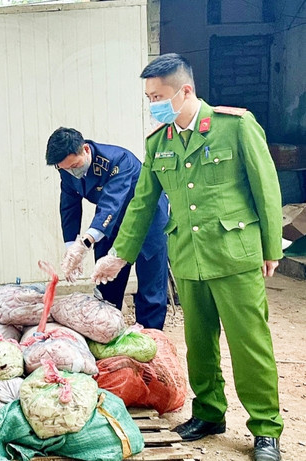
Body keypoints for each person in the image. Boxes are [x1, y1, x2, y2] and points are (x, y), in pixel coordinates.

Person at [91, 53, 283, 461]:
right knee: (199, 344)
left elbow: (266, 188)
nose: (153, 104)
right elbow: (142, 204)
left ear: (185, 91)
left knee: (250, 345)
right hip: (189, 258)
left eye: (158, 96)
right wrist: (119, 256)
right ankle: (210, 412)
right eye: (148, 97)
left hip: (234, 255)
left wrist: (270, 247)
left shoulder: (235, 127)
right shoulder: (158, 142)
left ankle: (265, 428)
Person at [45, 127, 170, 329]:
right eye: (65, 169)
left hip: (148, 218)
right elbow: (69, 206)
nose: (72, 172)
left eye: (75, 165)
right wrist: (71, 247)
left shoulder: (118, 161)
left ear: (85, 149)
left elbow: (111, 203)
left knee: (151, 283)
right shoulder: (67, 169)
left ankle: (151, 337)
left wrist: (85, 243)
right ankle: (108, 330)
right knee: (106, 279)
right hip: (110, 223)